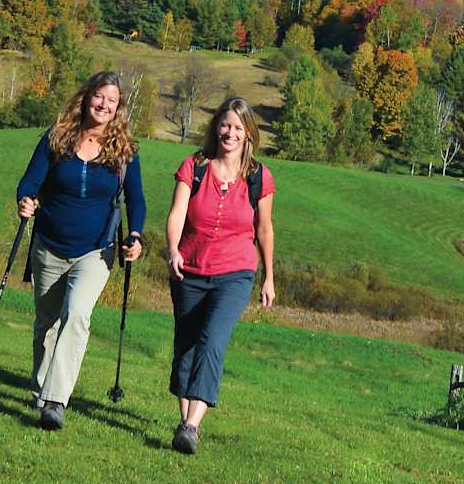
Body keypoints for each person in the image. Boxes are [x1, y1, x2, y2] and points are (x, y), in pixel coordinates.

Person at [16, 71, 145, 432]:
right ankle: (42, 389)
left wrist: (134, 235)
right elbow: (30, 181)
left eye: (112, 101)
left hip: (97, 251)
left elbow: (137, 200)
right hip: (49, 246)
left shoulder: (124, 150)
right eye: (98, 97)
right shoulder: (57, 138)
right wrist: (25, 201)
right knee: (47, 323)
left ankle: (56, 401)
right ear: (86, 97)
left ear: (118, 108)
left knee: (76, 314)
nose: (103, 105)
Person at [164, 95, 275, 455]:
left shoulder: (259, 177)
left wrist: (269, 277)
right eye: (225, 125)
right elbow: (177, 213)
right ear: (216, 128)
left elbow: (265, 229)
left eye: (238, 128)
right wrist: (173, 250)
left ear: (248, 135)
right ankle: (185, 422)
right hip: (190, 268)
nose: (230, 132)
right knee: (186, 344)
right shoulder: (194, 166)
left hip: (236, 273)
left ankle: (193, 424)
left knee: (212, 341)